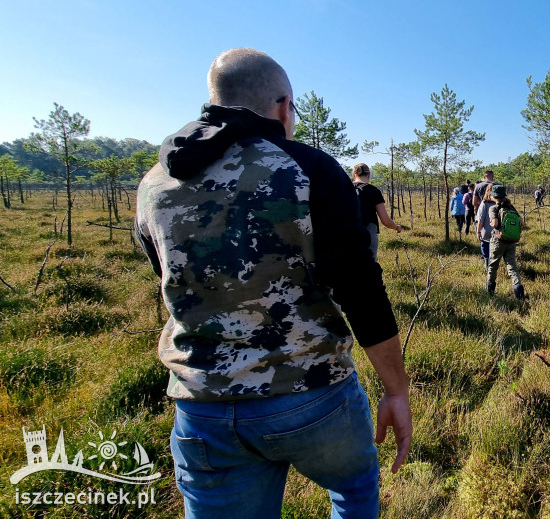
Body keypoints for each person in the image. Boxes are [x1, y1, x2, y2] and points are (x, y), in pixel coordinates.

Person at [134, 48, 411, 519]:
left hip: (204, 406)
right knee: (354, 491)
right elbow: (359, 288)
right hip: (314, 394)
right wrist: (396, 389)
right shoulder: (309, 169)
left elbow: (168, 278)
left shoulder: (153, 184)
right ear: (283, 106)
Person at [352, 162, 401, 261]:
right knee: (367, 269)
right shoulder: (373, 191)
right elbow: (385, 221)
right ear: (368, 175)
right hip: (367, 234)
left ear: (354, 175)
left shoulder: (343, 189)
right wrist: (396, 227)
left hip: (343, 234)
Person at [487, 184, 525, 300]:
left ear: (493, 196)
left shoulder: (493, 208)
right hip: (512, 241)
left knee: (493, 266)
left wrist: (491, 223)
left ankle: (490, 293)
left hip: (498, 241)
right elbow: (522, 223)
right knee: (512, 267)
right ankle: (519, 294)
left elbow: (495, 224)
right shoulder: (512, 208)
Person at [475, 183, 497, 269]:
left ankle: (487, 265)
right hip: (498, 232)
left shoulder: (484, 203)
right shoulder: (502, 203)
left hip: (486, 232)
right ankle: (493, 266)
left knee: (485, 248)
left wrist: (478, 231)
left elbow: (480, 220)